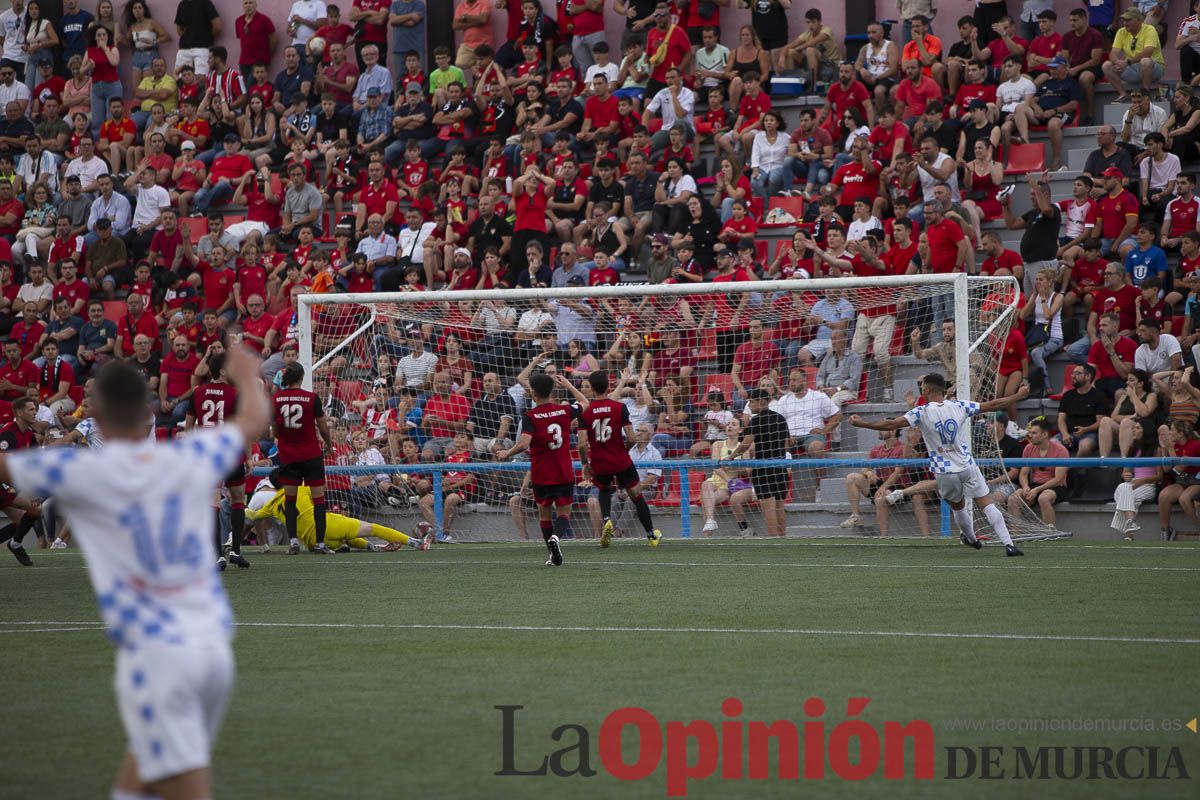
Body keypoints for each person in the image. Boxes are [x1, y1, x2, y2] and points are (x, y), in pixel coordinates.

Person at [0, 345, 269, 799]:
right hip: (213, 651)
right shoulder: (188, 456)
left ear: (96, 418)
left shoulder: (82, 471)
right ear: (148, 417)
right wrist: (248, 377)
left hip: (159, 654)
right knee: (141, 778)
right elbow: (250, 423)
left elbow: (7, 467)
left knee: (182, 784)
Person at [850, 372, 1031, 556]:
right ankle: (1009, 545)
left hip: (945, 471)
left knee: (958, 507)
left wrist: (863, 424)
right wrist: (1018, 396)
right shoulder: (959, 405)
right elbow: (993, 405)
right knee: (987, 504)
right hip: (967, 465)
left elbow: (891, 425)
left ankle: (972, 539)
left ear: (927, 389)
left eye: (922, 387)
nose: (921, 389)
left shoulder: (922, 411)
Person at [563, 371, 662, 548]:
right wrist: (623, 452)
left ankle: (607, 519)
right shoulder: (619, 407)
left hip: (600, 461)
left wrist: (585, 464)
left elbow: (581, 444)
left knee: (603, 490)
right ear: (608, 385)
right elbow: (632, 438)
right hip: (620, 460)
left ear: (591, 388)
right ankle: (651, 535)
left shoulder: (586, 412)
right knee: (637, 497)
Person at [497, 372, 576, 565]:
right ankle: (557, 539)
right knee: (564, 512)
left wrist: (507, 453)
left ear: (533, 393)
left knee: (545, 514)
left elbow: (524, 444)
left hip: (541, 473)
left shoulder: (530, 416)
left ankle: (551, 552)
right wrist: (568, 386)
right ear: (551, 391)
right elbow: (586, 403)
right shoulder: (564, 411)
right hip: (563, 470)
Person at [184, 351, 251, 570]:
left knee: (212, 503)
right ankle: (236, 551)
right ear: (222, 371)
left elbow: (189, 426)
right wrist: (249, 456)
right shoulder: (236, 393)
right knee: (238, 500)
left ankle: (217, 556)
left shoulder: (198, 393)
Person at [273, 360, 334, 554]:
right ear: (301, 377)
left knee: (290, 500)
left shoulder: (276, 399)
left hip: (289, 455)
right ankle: (320, 543)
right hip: (311, 454)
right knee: (318, 500)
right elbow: (323, 428)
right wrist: (330, 445)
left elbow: (275, 430)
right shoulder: (311, 398)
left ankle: (293, 542)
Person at [724, 387, 790, 538]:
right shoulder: (780, 418)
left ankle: (774, 540)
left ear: (761, 402)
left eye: (752, 402)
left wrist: (732, 456)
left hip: (763, 468)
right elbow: (787, 443)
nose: (750, 405)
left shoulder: (757, 420)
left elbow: (746, 444)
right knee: (779, 506)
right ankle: (783, 538)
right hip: (780, 466)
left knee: (768, 507)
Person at [1011, 416, 1069, 526]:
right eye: (1029, 433)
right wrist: (1025, 487)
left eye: (1034, 433)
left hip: (1056, 487)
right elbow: (1023, 474)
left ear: (1045, 434)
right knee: (1014, 498)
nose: (1029, 436)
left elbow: (1058, 479)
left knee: (1044, 498)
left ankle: (1051, 533)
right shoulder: (1028, 448)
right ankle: (1015, 535)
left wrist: (1037, 490)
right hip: (1035, 486)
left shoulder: (1061, 450)